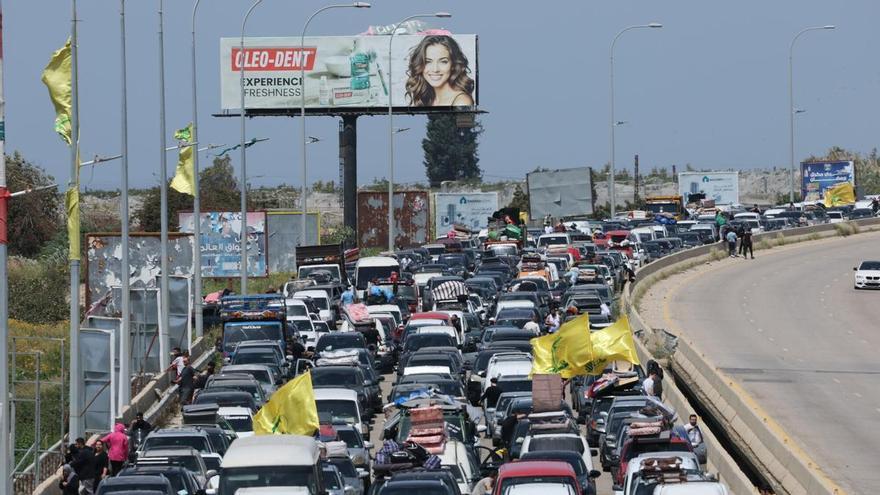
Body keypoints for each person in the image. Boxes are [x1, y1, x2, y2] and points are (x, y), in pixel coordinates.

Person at [405, 35, 475, 107]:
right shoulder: (428, 98)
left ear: (453, 65)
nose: (435, 69)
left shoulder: (461, 102)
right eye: (428, 62)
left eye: (443, 62)